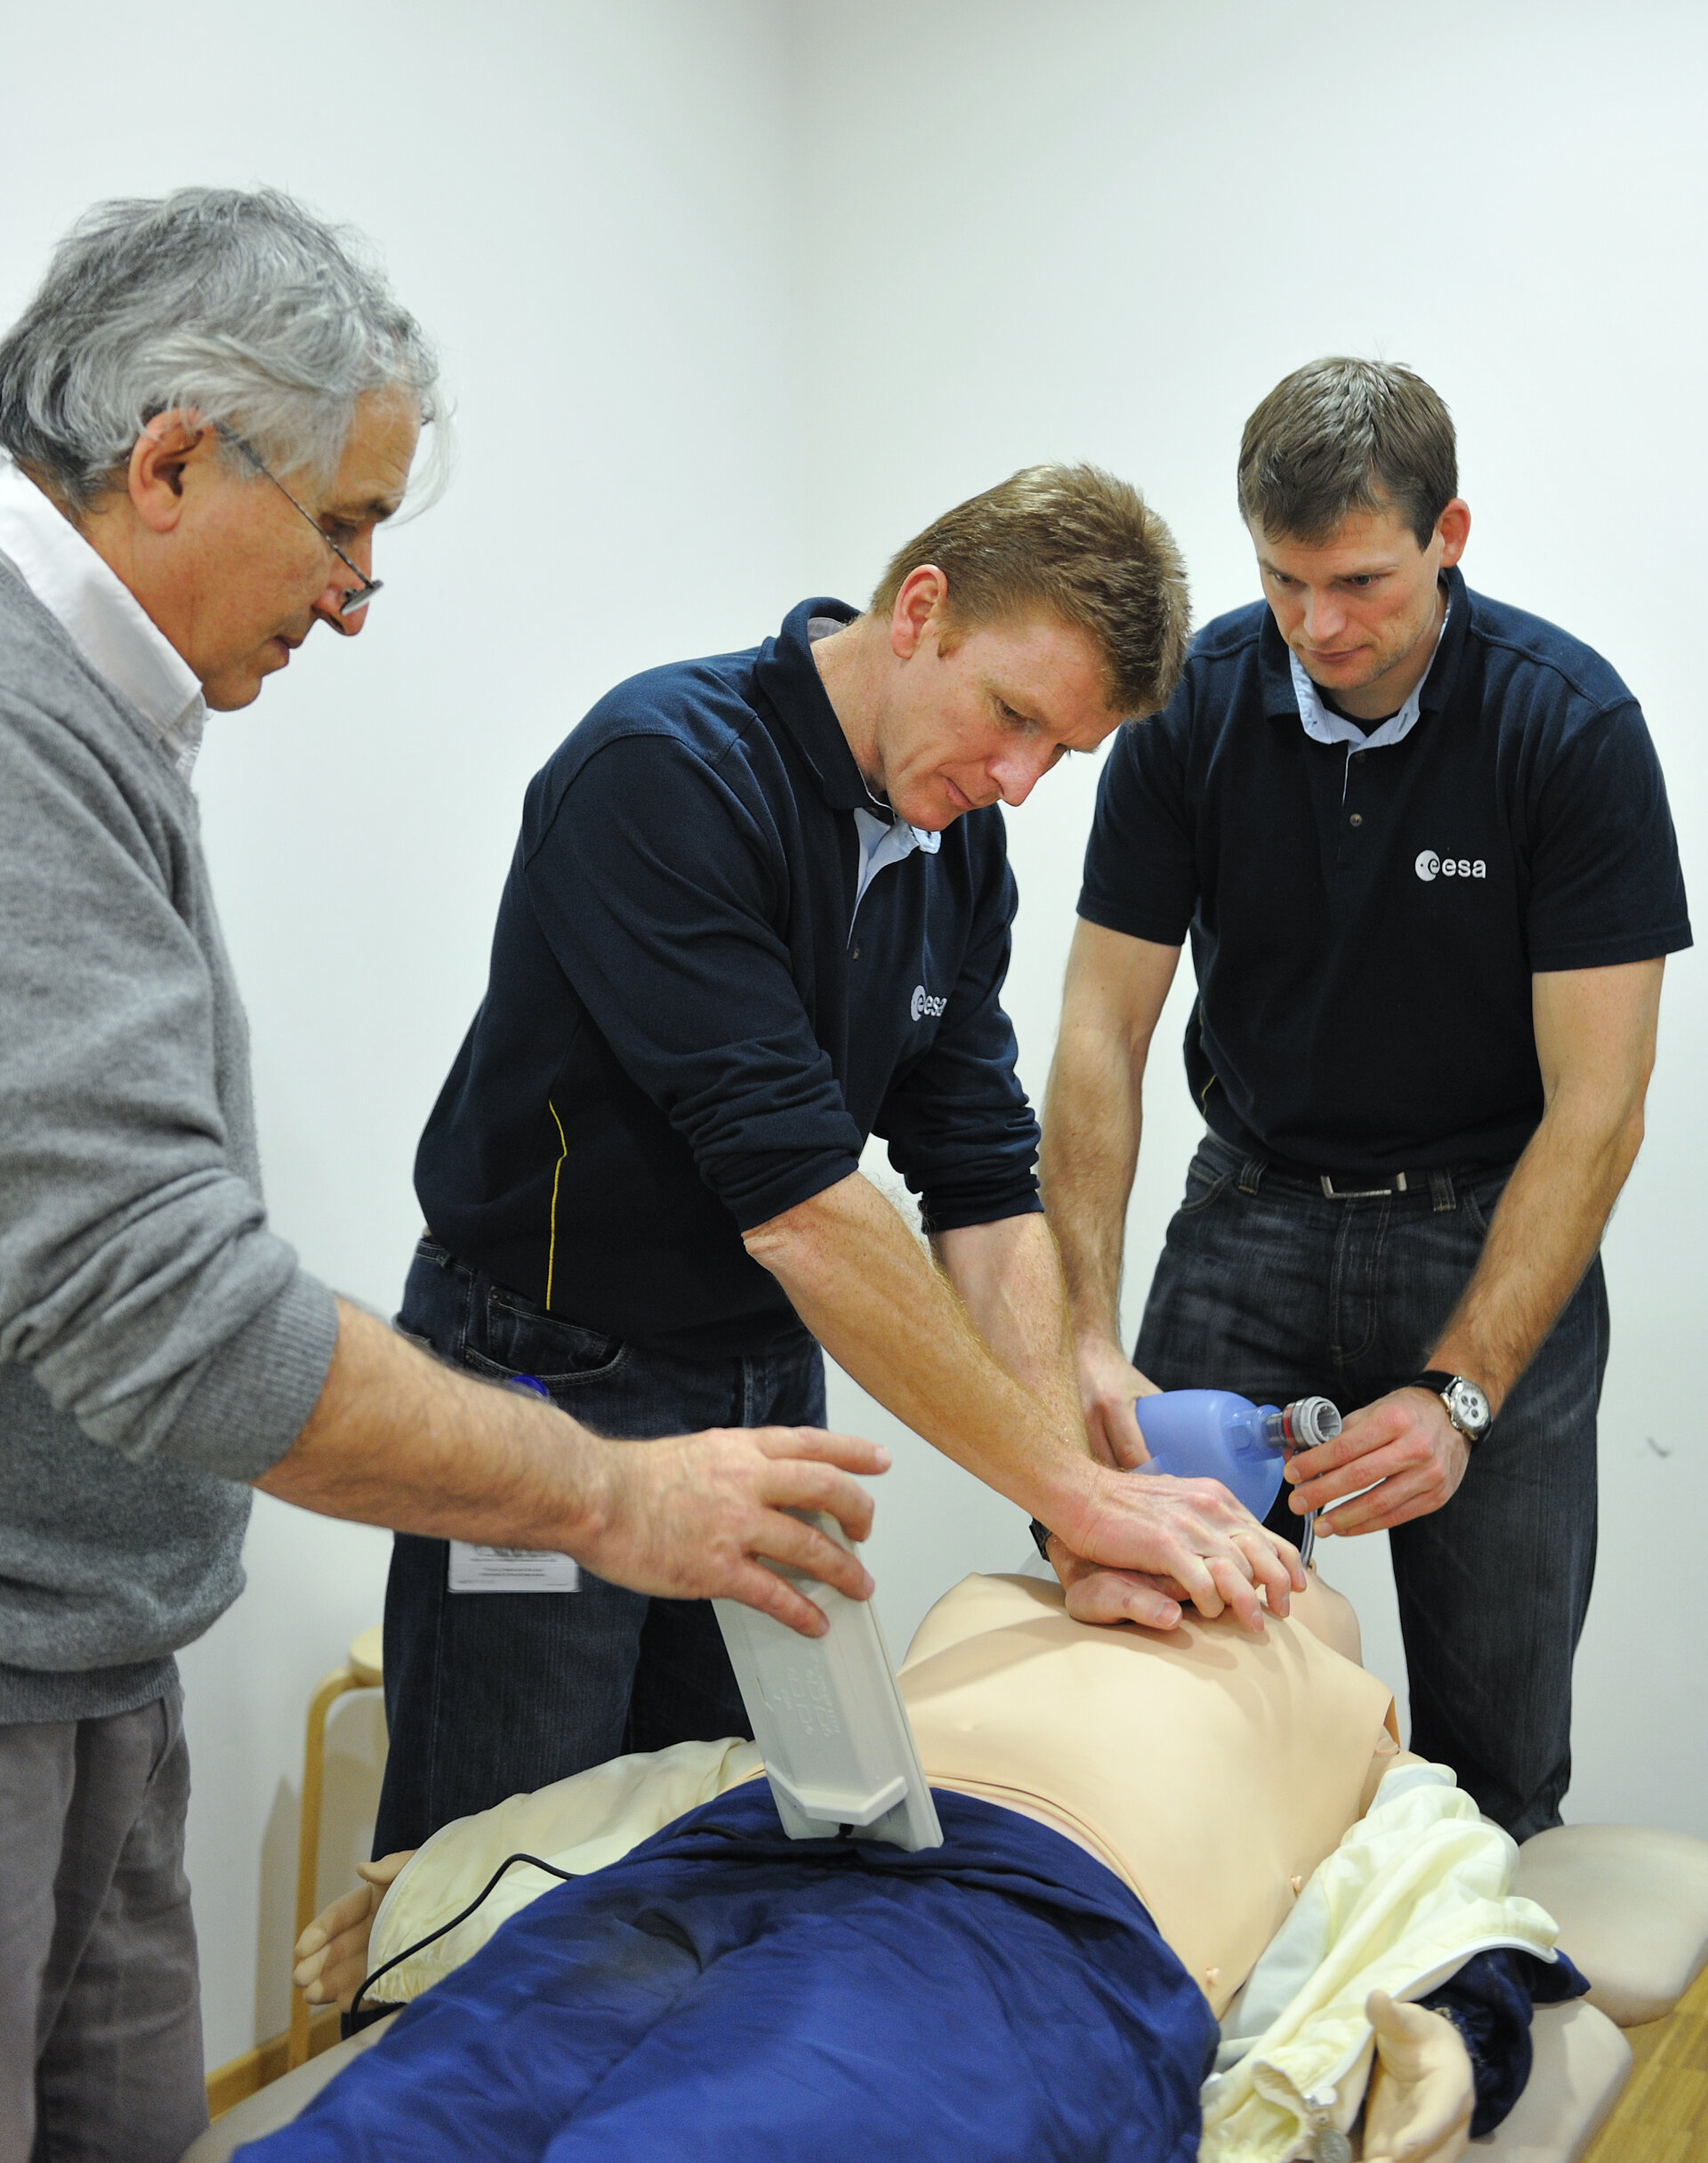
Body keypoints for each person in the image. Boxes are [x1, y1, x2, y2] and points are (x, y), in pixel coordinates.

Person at [0, 187, 886, 2163]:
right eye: (340, 523)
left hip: (96, 1647)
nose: (358, 591)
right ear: (165, 461)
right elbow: (170, 1308)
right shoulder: (19, 726)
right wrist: (615, 1492)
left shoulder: (107, 723)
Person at [377, 467, 1307, 1857]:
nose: (1016, 783)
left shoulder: (957, 854)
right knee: (498, 1858)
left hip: (763, 1387)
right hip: (543, 1380)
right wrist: (1081, 1492)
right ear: (920, 610)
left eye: (1059, 754)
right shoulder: (665, 774)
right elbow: (808, 1213)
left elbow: (988, 1196)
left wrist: (1074, 1519)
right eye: (1012, 720)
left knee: (727, 1830)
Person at [1041, 357, 1690, 1839]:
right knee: (1163, 1666)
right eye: (1283, 581)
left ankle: (1476, 2049)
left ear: (1449, 535)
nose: (1318, 629)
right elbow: (1098, 1029)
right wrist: (1081, 1327)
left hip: (1485, 1224)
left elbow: (1601, 1108)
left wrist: (1460, 1391)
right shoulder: (1194, 701)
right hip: (1247, 1213)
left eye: (1359, 582)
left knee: (1497, 1742)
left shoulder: (1569, 728)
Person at [275, 1568, 1581, 2163]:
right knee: (414, 2114)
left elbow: (1448, 1887)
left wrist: (1464, 2037)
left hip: (1026, 1936)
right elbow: (728, 1765)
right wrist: (467, 1873)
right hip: (742, 1857)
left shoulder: (1344, 1690)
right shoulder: (993, 1599)